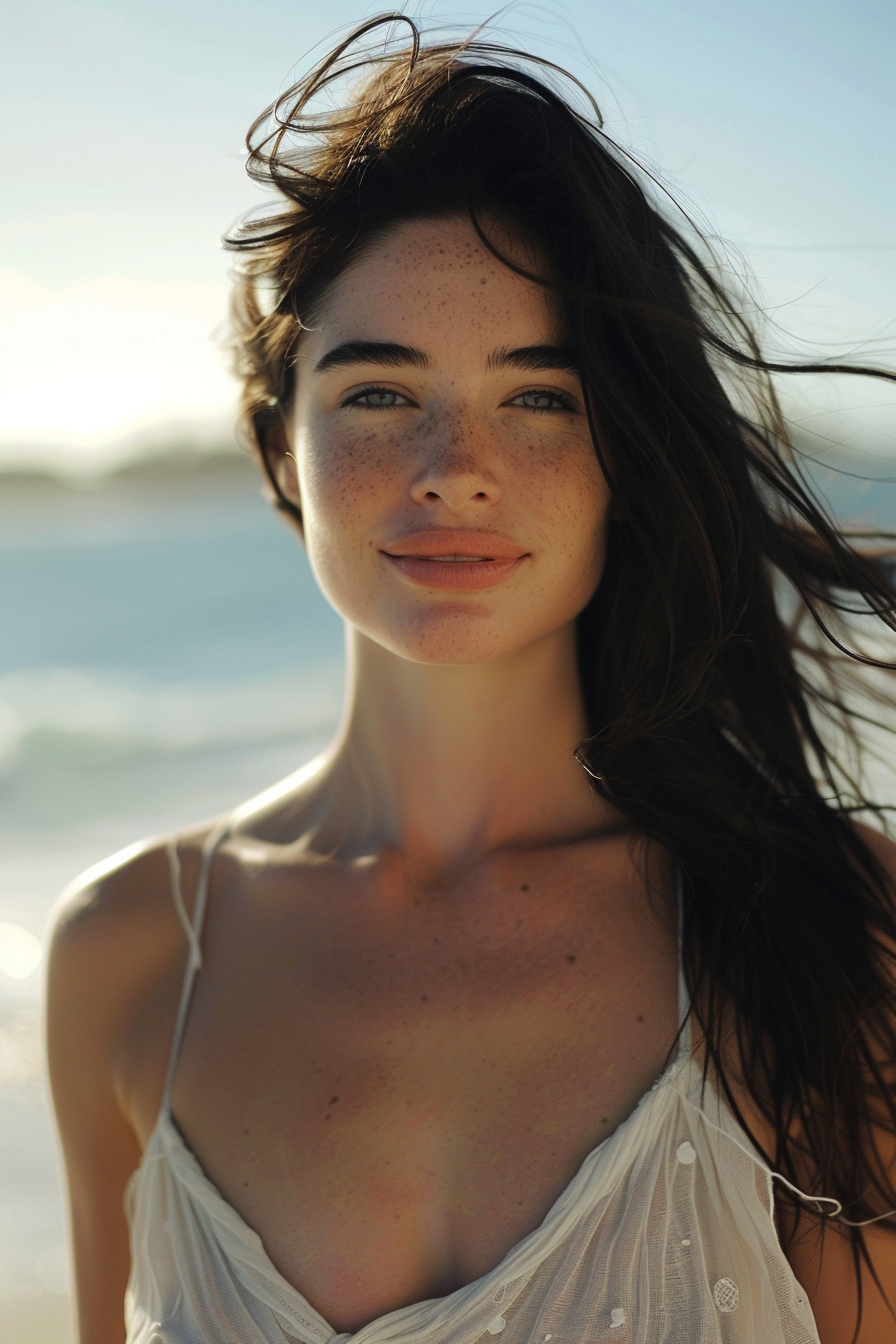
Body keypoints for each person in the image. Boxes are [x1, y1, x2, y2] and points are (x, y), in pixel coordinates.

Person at [46, 18, 896, 1344]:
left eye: (541, 396)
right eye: (381, 393)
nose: (456, 464)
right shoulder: (131, 953)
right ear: (282, 450)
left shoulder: (829, 932)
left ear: (629, 451)